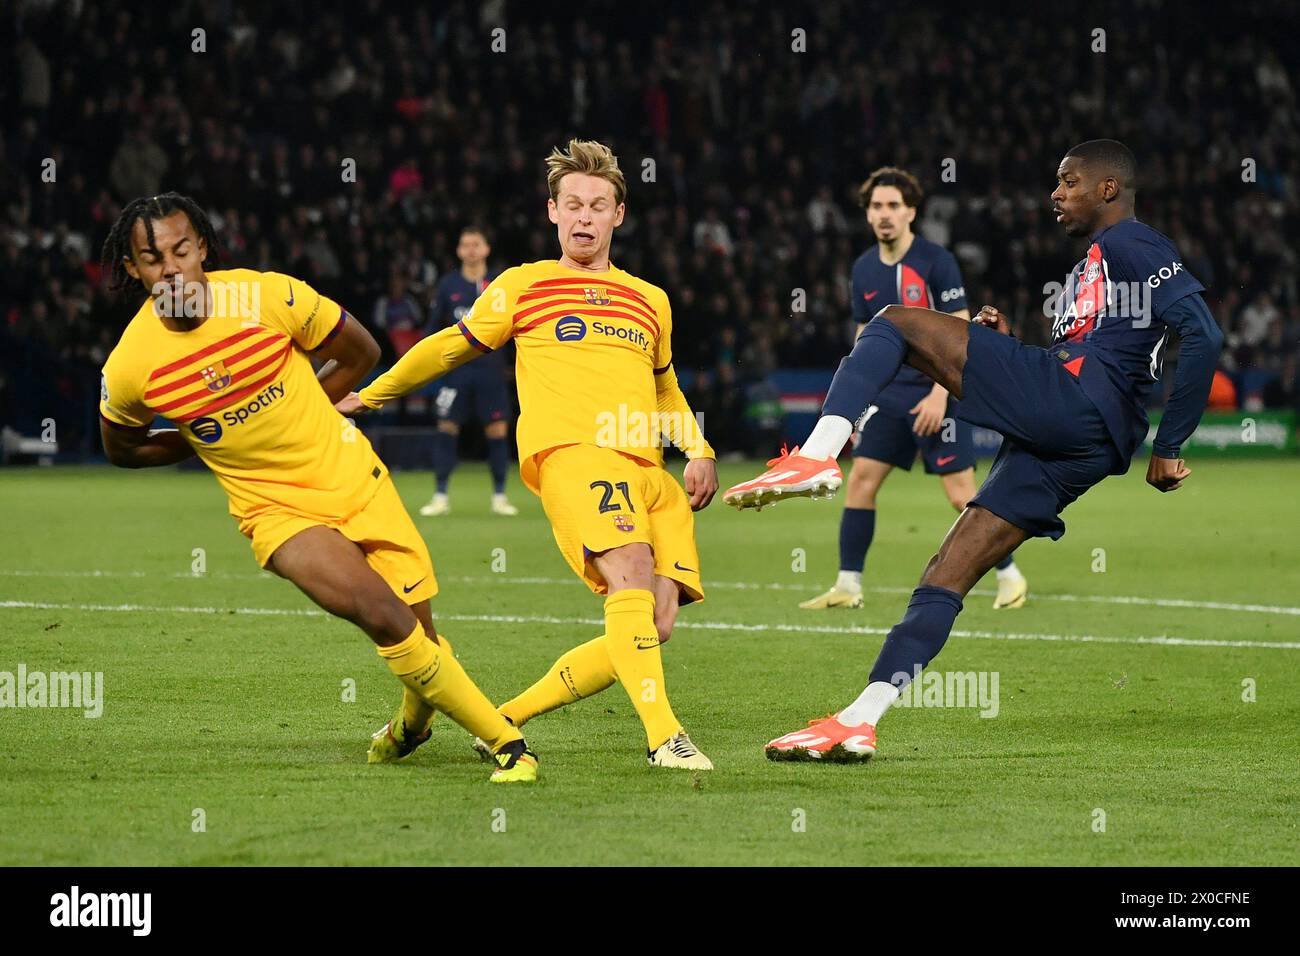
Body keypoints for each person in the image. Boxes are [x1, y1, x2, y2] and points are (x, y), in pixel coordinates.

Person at [724, 141, 1224, 762]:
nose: (1056, 193)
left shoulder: (1130, 242)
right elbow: (1104, 345)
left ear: (1108, 190)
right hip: (1085, 438)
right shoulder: (1096, 263)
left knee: (897, 324)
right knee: (947, 571)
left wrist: (1171, 443)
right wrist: (1012, 347)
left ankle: (819, 451)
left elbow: (1202, 333)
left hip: (1077, 405)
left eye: (1069, 181)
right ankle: (859, 719)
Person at [97, 193, 537, 783]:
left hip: (351, 474)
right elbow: (122, 447)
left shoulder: (267, 295)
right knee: (381, 614)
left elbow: (361, 353)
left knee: (420, 636)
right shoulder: (131, 365)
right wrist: (200, 439)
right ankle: (508, 743)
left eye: (181, 250)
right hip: (274, 512)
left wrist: (303, 402)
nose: (171, 269)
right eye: (153, 259)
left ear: (202, 246)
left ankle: (413, 725)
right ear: (132, 268)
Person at [339, 141, 719, 770]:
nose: (585, 217)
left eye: (598, 205)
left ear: (619, 215)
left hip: (650, 473)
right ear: (553, 212)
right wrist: (372, 396)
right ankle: (665, 738)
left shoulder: (651, 299)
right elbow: (447, 349)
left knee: (653, 621)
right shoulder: (524, 285)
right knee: (626, 568)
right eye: (573, 205)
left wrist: (698, 448)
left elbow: (664, 387)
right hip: (576, 456)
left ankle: (503, 717)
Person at [800, 167, 1027, 613]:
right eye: (876, 207)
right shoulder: (864, 269)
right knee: (861, 483)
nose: (884, 214)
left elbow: (960, 330)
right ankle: (847, 585)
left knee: (962, 495)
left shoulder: (937, 261)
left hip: (936, 392)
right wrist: (859, 409)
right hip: (890, 398)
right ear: (867, 215)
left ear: (911, 212)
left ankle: (1010, 576)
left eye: (893, 206)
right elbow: (866, 342)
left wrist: (941, 395)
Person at [420, 226, 519, 517]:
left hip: (491, 373)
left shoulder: (500, 286)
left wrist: (514, 364)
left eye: (477, 244)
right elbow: (432, 330)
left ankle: (499, 497)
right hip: (456, 374)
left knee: (498, 431)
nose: (471, 249)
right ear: (459, 251)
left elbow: (516, 326)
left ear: (486, 249)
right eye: (466, 245)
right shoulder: (448, 285)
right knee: (446, 427)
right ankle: (440, 496)